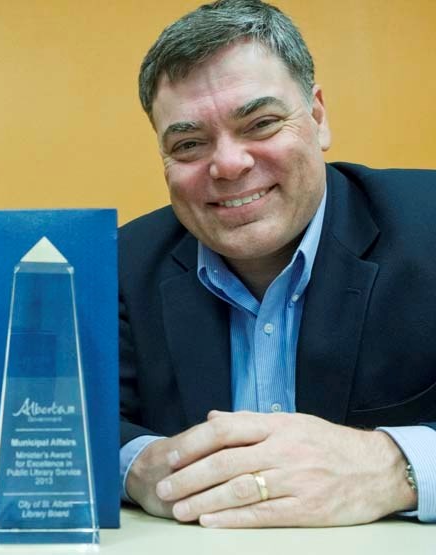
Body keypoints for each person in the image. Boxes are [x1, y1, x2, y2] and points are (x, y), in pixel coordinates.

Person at [119, 0, 435, 527]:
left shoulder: (428, 226)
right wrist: (140, 467)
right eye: (190, 143)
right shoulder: (122, 265)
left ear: (317, 116)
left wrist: (393, 467)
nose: (228, 163)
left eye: (261, 124)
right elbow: (70, 426)